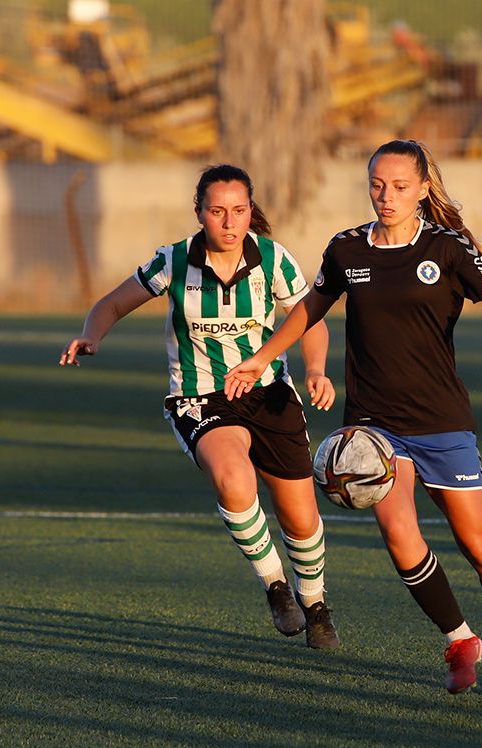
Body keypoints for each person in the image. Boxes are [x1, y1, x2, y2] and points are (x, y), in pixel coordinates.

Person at [224, 139, 482, 704]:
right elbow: (308, 308)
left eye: (400, 186)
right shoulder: (348, 248)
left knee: (481, 547)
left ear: (424, 188)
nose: (386, 196)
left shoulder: (449, 248)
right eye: (378, 184)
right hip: (374, 427)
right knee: (398, 534)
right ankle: (460, 640)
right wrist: (260, 357)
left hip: (441, 421)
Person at [59, 164, 341, 649]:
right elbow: (110, 304)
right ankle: (276, 587)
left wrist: (315, 369)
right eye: (217, 212)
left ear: (251, 210)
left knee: (300, 518)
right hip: (199, 397)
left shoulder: (274, 259)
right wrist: (91, 334)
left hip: (269, 392)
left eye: (239, 211)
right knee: (233, 477)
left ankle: (314, 603)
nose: (230, 223)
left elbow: (309, 319)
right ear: (199, 214)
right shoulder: (173, 260)